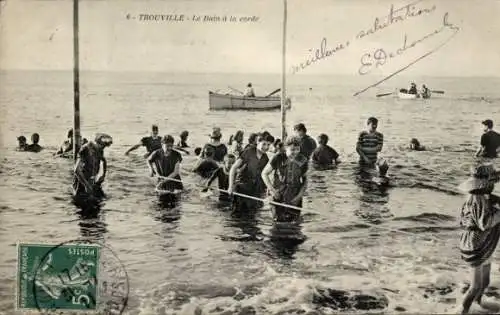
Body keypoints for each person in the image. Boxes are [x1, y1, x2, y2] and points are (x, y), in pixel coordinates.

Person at [457, 164, 500, 314]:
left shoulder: (480, 196)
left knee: (485, 282)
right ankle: (463, 311)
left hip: (482, 242)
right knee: (475, 286)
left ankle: (477, 305)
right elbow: (485, 223)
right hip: (475, 244)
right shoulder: (477, 199)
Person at [262, 137, 308, 222]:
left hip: (294, 197)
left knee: (294, 225)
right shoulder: (278, 157)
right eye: (292, 150)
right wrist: (272, 190)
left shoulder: (302, 160)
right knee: (278, 223)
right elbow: (264, 174)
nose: (295, 152)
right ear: (286, 148)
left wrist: (298, 197)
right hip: (278, 195)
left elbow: (305, 181)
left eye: (298, 149)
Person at [228, 134, 273, 211]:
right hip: (242, 187)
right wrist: (230, 186)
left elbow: (263, 176)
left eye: (268, 145)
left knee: (252, 216)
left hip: (255, 190)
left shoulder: (265, 158)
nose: (266, 147)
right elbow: (233, 168)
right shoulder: (248, 152)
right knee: (237, 213)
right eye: (264, 144)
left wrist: (266, 191)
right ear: (258, 142)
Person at [73, 133, 113, 199]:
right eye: (103, 145)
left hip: (92, 180)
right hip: (82, 182)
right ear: (97, 142)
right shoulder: (85, 149)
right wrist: (86, 185)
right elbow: (77, 170)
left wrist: (103, 175)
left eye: (105, 146)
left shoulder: (100, 150)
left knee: (100, 201)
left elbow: (103, 160)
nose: (103, 148)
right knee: (82, 202)